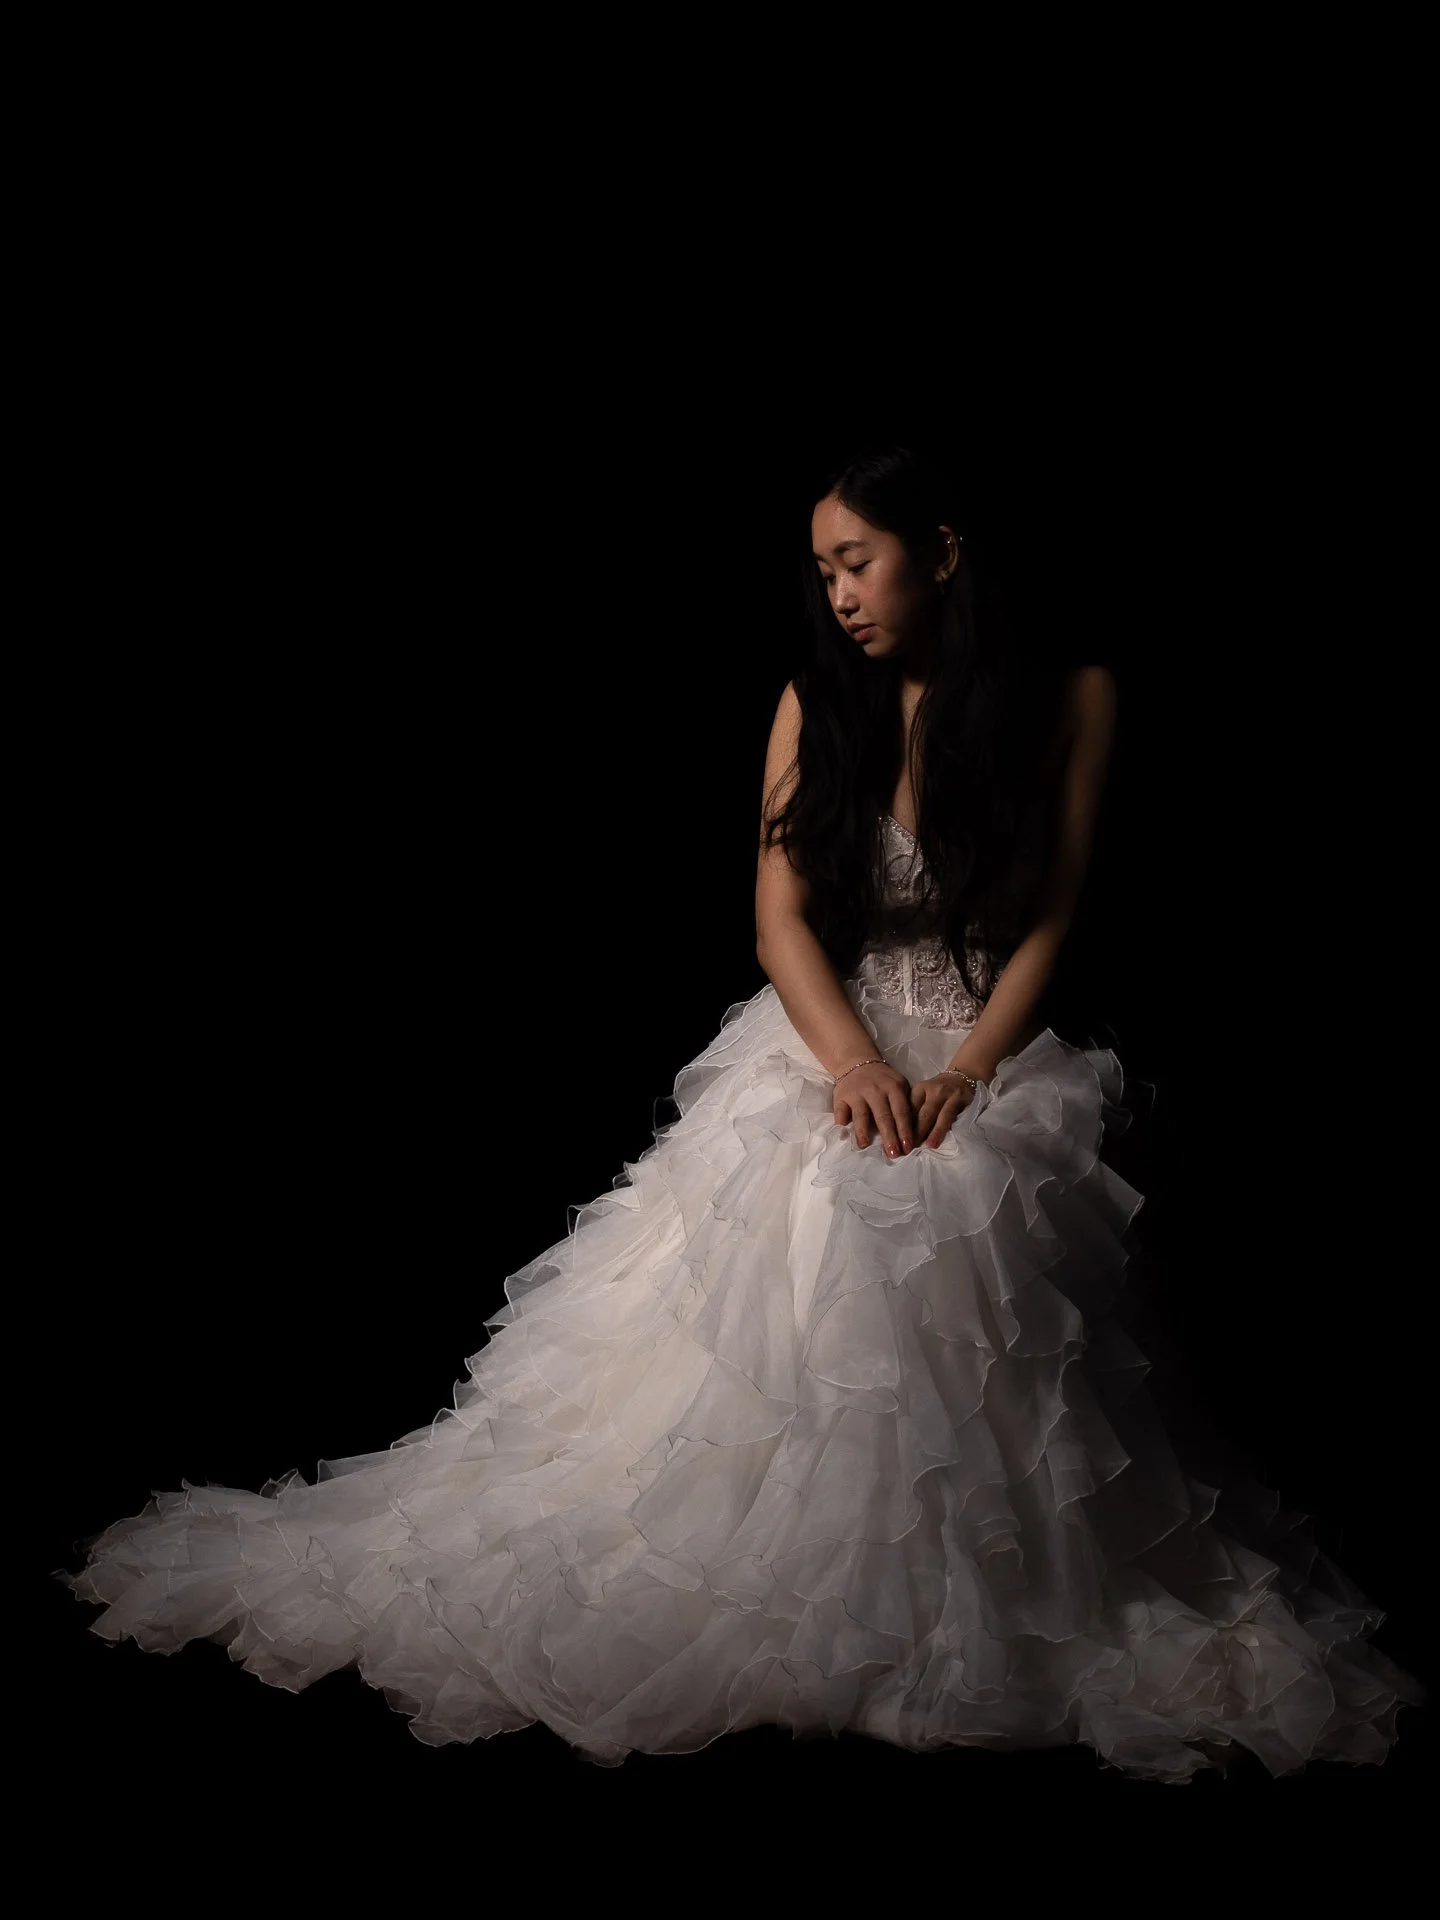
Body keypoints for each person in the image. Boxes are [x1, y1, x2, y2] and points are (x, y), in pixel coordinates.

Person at [55, 444, 1422, 1783]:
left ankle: (966, 1592)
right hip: (827, 1031)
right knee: (821, 1194)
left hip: (985, 1036)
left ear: (942, 556)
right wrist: (851, 1066)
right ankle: (785, 1575)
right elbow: (777, 921)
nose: (836, 592)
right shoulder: (810, 706)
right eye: (821, 569)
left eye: (857, 562)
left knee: (965, 1198)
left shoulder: (1077, 697)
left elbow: (1055, 915)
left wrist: (961, 1074)